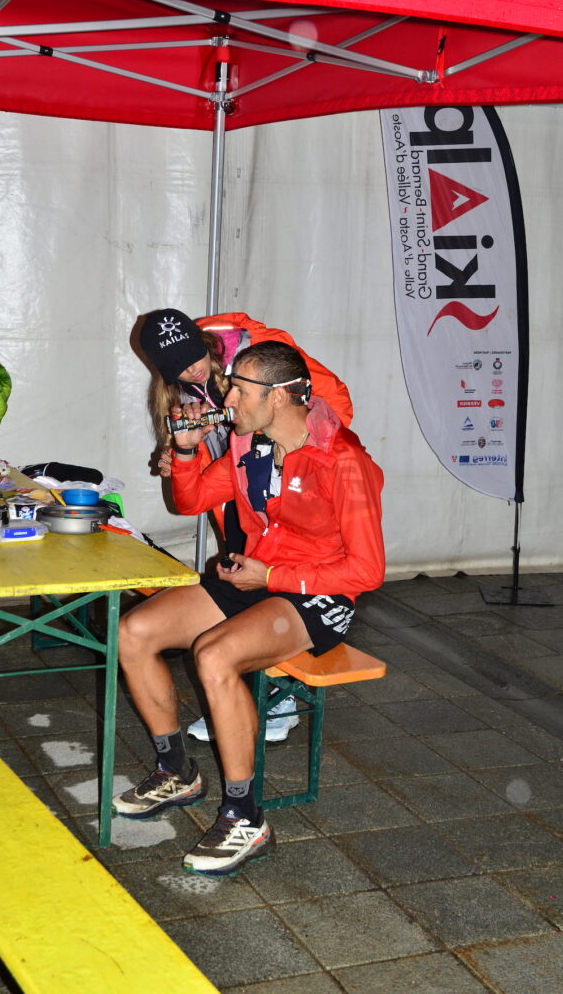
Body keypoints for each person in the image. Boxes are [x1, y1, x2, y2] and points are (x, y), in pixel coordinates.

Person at [113, 340, 384, 877]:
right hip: (256, 579)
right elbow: (190, 502)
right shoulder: (248, 448)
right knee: (134, 632)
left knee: (213, 657)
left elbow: (367, 571)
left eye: (241, 388)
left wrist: (276, 576)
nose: (227, 395)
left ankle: (244, 817)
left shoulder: (344, 460)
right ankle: (177, 772)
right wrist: (187, 453)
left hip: (316, 595)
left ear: (280, 397)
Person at [138, 307, 354, 743]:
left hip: (289, 478)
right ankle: (240, 696)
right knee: (245, 579)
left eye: (192, 356)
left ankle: (274, 697)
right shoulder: (186, 391)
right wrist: (182, 456)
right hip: (240, 487)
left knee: (277, 579)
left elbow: (336, 405)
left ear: (205, 341)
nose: (190, 368)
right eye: (177, 368)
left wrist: (295, 454)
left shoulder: (259, 355)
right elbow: (198, 480)